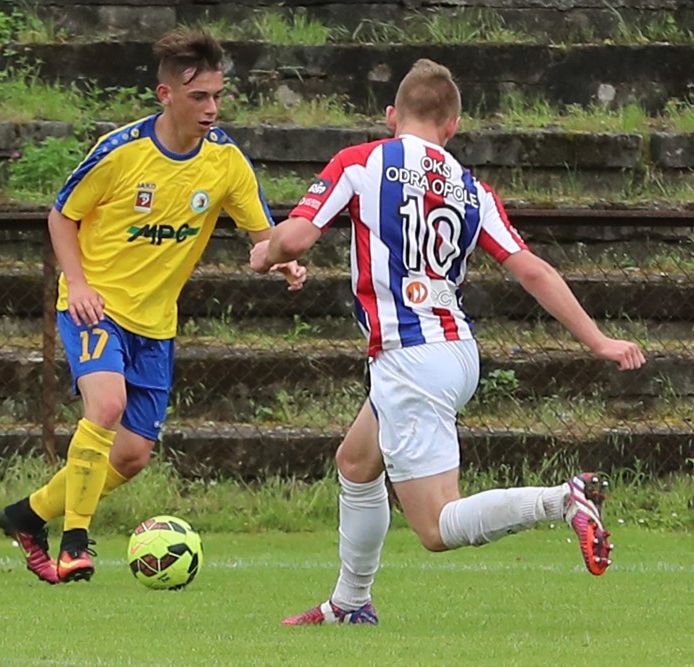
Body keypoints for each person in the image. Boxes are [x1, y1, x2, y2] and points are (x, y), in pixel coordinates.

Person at [250, 58, 646, 624]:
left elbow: (297, 235)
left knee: (436, 527)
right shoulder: (468, 186)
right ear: (453, 125)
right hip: (455, 351)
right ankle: (350, 603)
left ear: (391, 115)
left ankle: (562, 500)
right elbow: (531, 268)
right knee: (357, 462)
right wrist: (598, 339)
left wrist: (267, 254)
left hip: (410, 359)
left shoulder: (362, 162)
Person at [0, 28, 306, 584]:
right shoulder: (121, 152)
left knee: (132, 455)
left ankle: (27, 515)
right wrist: (80, 284)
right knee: (107, 407)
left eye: (217, 95)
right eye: (199, 97)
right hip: (93, 306)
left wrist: (280, 259)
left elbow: (262, 236)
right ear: (166, 96)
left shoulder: (225, 163)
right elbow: (61, 216)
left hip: (155, 323)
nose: (211, 108)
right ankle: (75, 541)